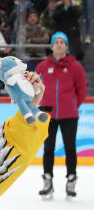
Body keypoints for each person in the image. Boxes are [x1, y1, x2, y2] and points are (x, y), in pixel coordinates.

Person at [37, 32, 87, 199]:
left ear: (66, 46)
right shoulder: (42, 67)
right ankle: (47, 180)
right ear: (51, 46)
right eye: (56, 42)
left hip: (69, 115)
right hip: (48, 115)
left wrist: (72, 105)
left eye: (62, 42)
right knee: (48, 148)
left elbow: (82, 91)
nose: (59, 45)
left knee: (70, 147)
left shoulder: (75, 67)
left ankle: (71, 179)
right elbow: (36, 89)